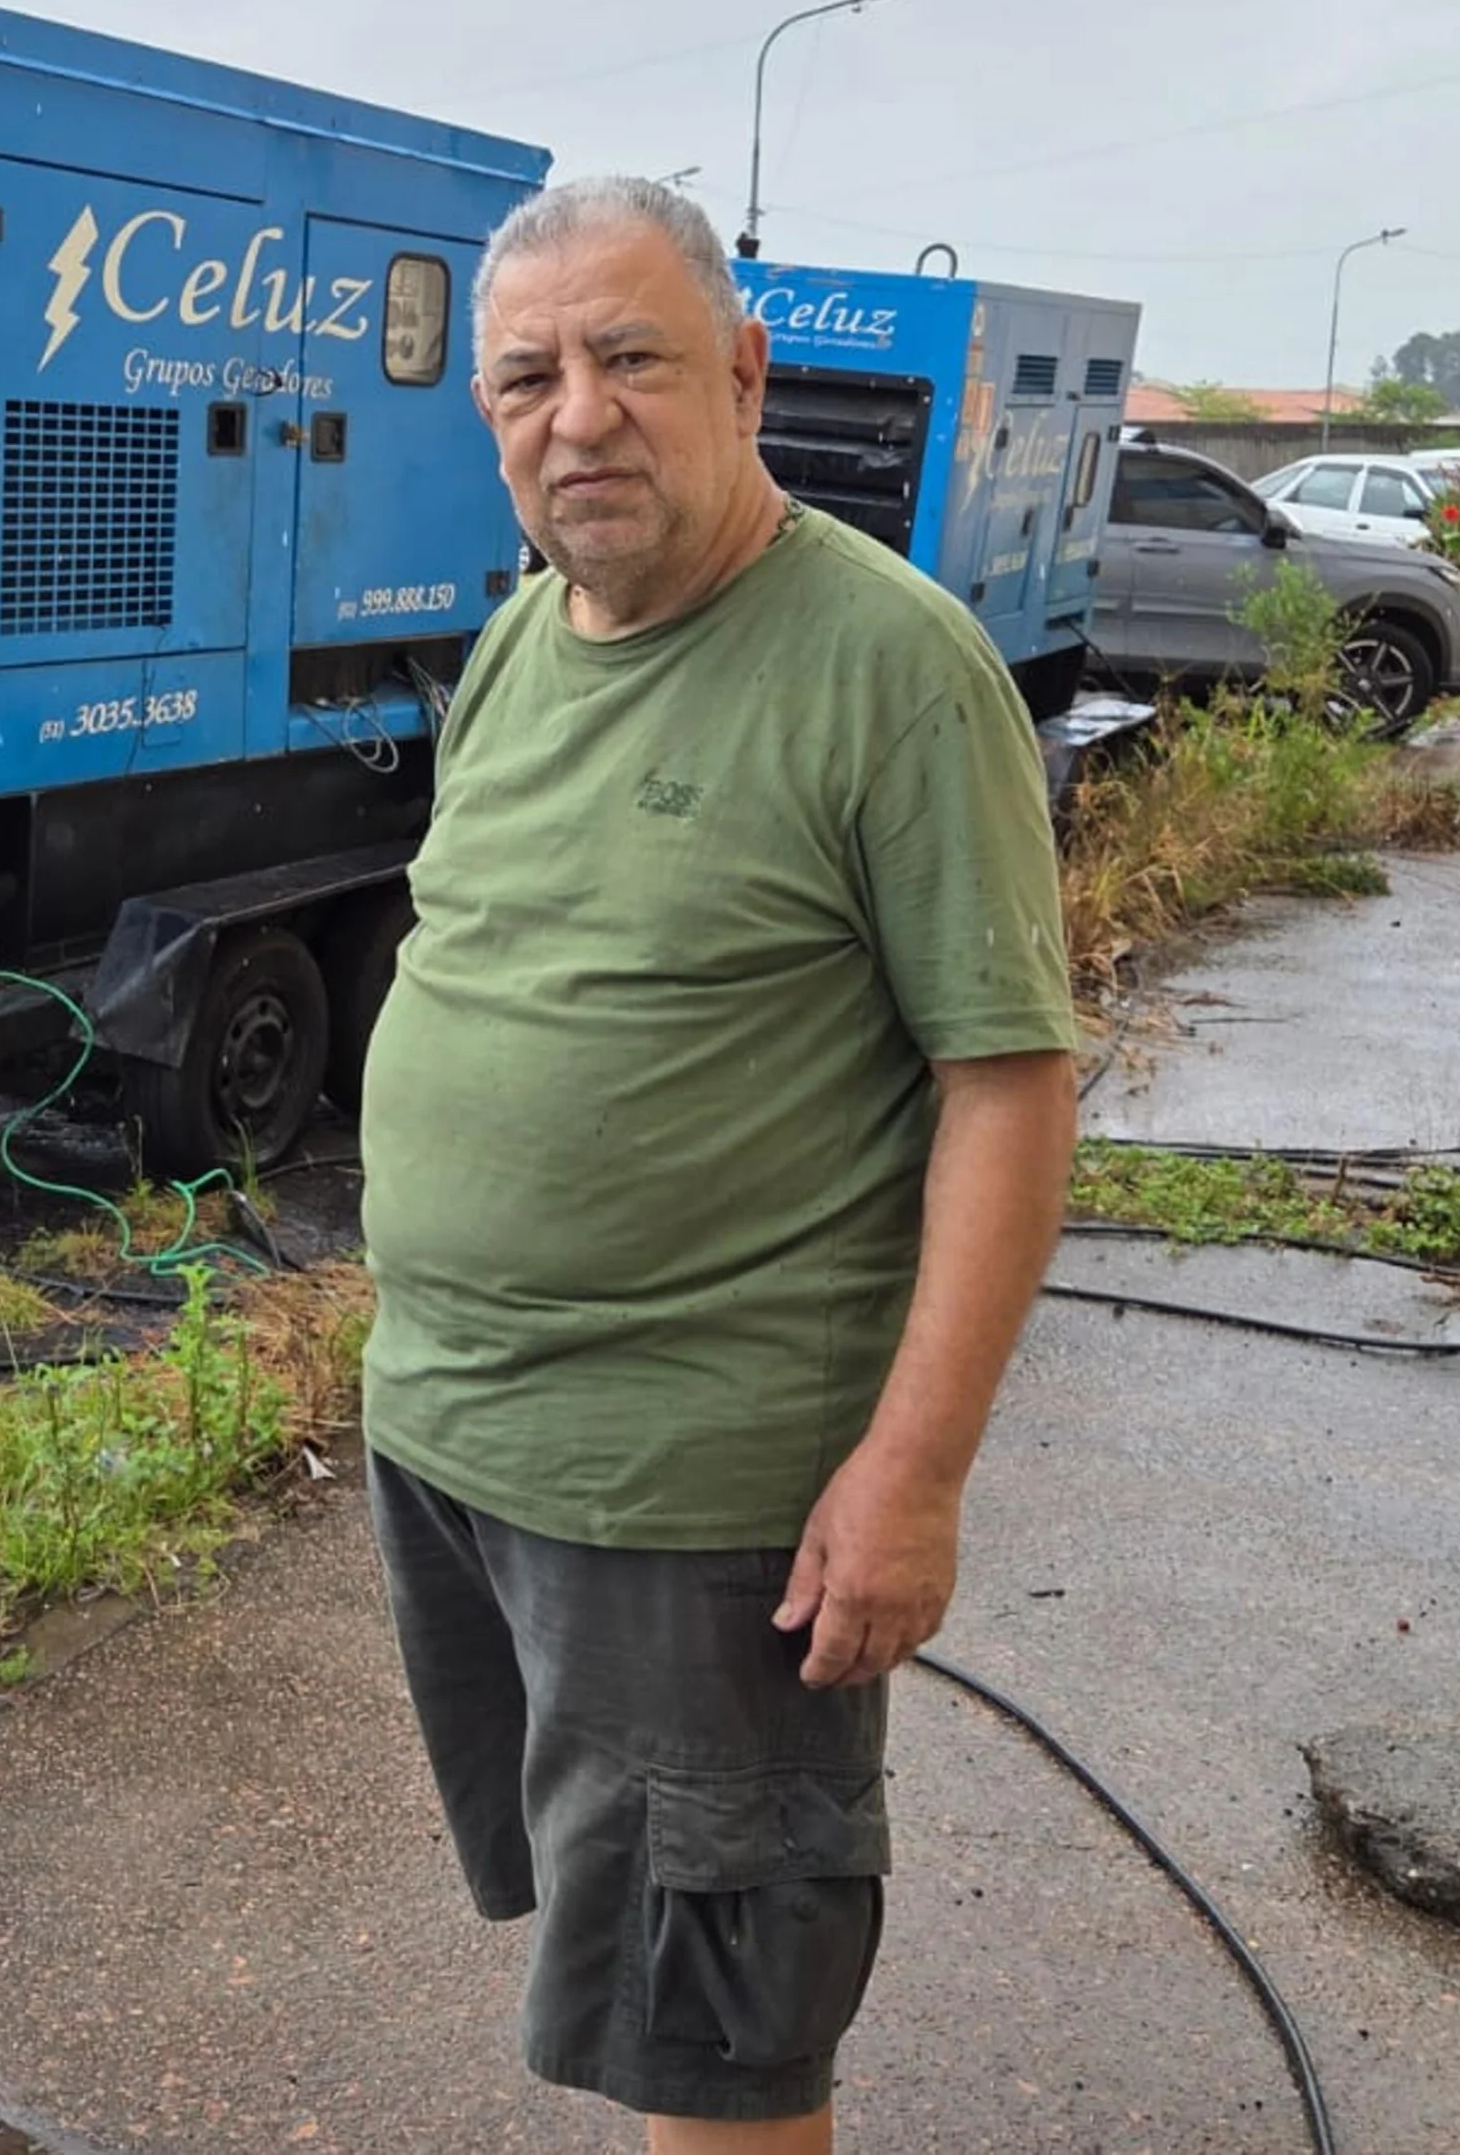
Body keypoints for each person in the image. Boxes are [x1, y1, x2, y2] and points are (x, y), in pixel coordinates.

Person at [356, 175, 1080, 2150]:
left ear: (744, 374)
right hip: (462, 1448)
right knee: (618, 1957)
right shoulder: (517, 647)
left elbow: (1009, 1084)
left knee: (723, 2033)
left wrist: (911, 1471)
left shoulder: (890, 667)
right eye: (526, 376)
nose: (574, 413)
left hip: (696, 1495)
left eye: (629, 357)